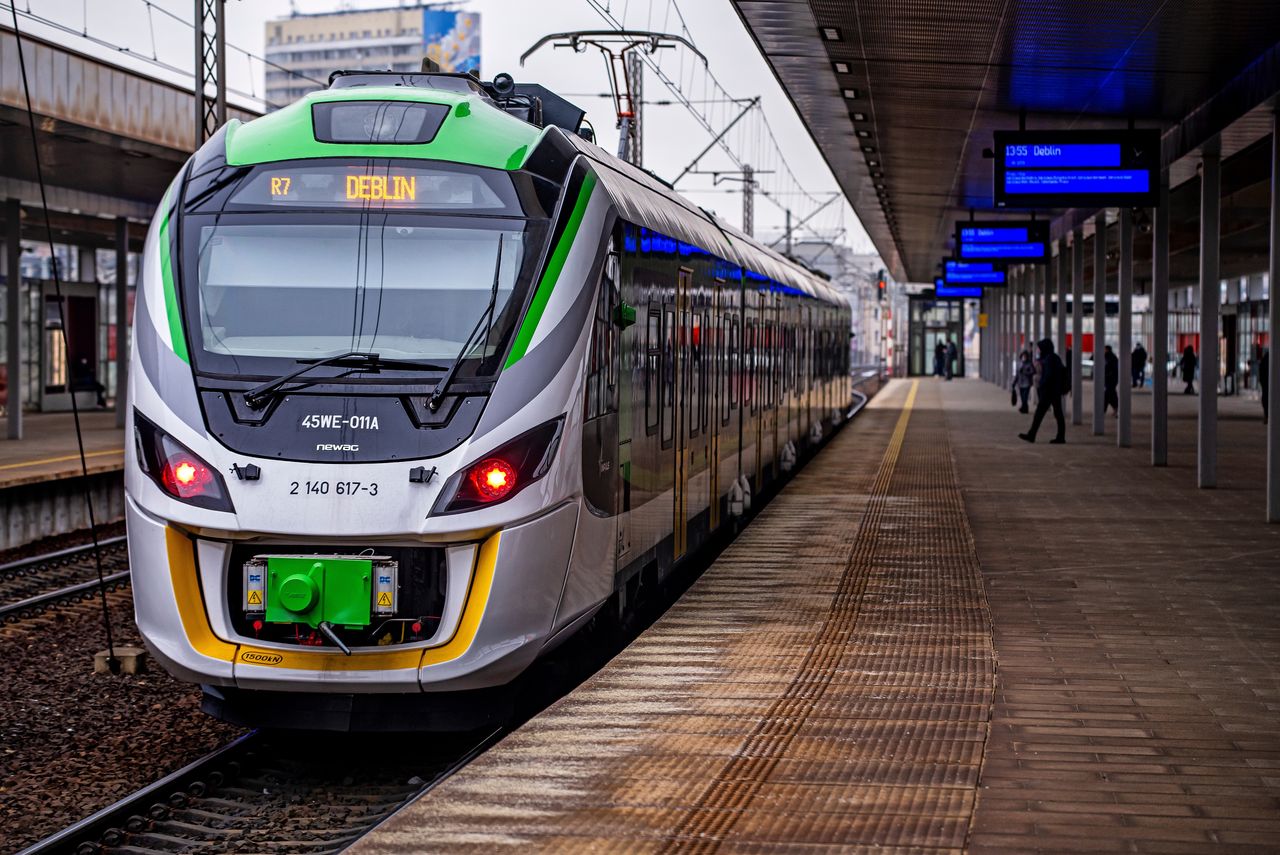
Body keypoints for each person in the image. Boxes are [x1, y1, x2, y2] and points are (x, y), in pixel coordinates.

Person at [1019, 338, 1067, 444]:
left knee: (1040, 413)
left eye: (1040, 348)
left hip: (1050, 391)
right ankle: (1060, 436)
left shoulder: (1049, 359)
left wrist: (1042, 384)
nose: (1039, 350)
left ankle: (1032, 435)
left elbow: (1049, 375)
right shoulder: (1054, 357)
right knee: (1057, 413)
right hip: (1055, 390)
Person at [1103, 345, 1119, 416]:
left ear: (1107, 350)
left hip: (1111, 379)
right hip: (1110, 379)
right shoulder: (1108, 357)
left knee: (1108, 394)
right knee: (1111, 394)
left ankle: (1104, 410)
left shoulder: (1111, 357)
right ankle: (1116, 408)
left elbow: (1110, 368)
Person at [1261, 348, 1269, 425]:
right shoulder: (1267, 358)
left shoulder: (1266, 357)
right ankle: (1267, 416)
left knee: (1265, 400)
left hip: (1266, 384)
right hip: (1267, 383)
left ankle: (1267, 416)